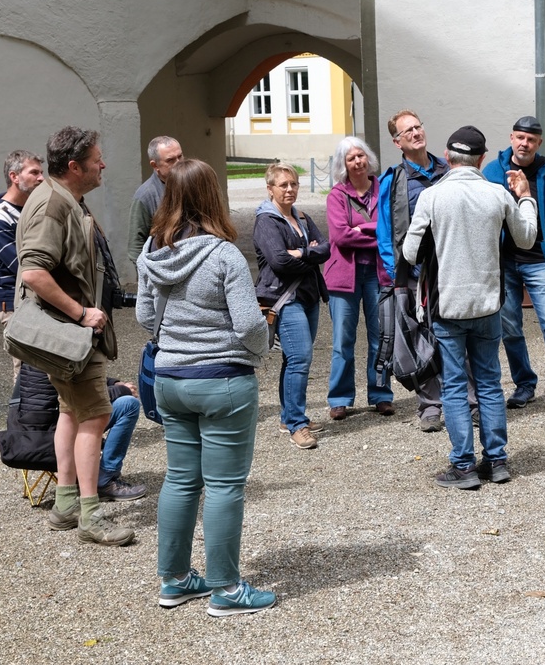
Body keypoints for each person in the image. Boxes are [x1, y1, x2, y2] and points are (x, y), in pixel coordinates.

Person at [137, 158, 275, 617]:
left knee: (180, 479)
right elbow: (249, 325)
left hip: (170, 380)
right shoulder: (223, 254)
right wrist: (264, 346)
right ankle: (227, 589)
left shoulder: (153, 254)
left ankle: (175, 580)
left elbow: (145, 317)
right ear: (213, 197)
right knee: (223, 486)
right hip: (222, 382)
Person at [16, 126, 134, 546]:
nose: (103, 165)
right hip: (71, 336)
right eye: (96, 160)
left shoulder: (63, 198)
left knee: (70, 412)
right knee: (95, 416)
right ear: (74, 166)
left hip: (71, 337)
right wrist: (81, 313)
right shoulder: (52, 204)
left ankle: (65, 505)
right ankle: (90, 515)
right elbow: (33, 272)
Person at [402, 126, 537, 489]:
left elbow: (410, 252)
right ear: (481, 159)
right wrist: (525, 197)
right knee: (490, 383)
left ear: (448, 157)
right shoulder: (497, 193)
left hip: (449, 305)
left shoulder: (432, 196)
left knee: (455, 387)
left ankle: (463, 466)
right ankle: (496, 461)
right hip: (487, 303)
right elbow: (526, 238)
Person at [483, 116, 545, 417]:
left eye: (531, 140)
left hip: (540, 261)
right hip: (504, 263)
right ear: (511, 138)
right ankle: (524, 383)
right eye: (520, 138)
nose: (524, 144)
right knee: (510, 328)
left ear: (539, 143)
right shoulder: (493, 172)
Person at [378, 109, 450, 432]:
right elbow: (384, 231)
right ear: (397, 142)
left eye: (418, 127)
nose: (416, 133)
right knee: (418, 339)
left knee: (457, 337)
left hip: (450, 270)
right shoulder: (393, 180)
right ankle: (430, 405)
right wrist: (396, 275)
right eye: (407, 131)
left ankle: (468, 402)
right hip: (414, 274)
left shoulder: (448, 170)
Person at [254, 163, 331, 450]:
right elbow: (279, 262)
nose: (289, 189)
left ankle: (289, 417)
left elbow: (326, 249)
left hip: (309, 296)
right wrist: (310, 255)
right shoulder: (266, 221)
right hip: (285, 299)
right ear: (270, 189)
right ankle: (298, 425)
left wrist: (301, 252)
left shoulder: (303, 217)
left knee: (294, 359)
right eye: (283, 184)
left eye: (293, 184)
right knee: (300, 358)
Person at [323, 137, 394, 421]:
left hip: (378, 273)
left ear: (369, 158)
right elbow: (341, 236)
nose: (357, 162)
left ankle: (381, 394)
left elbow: (392, 227)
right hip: (344, 276)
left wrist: (361, 229)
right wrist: (377, 234)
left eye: (361, 156)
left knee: (381, 338)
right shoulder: (336, 195)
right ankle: (339, 398)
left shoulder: (383, 189)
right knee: (343, 340)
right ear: (343, 164)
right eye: (351, 158)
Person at [4, 362, 147, 501]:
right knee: (129, 405)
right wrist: (123, 390)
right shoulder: (61, 354)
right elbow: (84, 396)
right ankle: (105, 479)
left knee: (119, 403)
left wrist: (114, 383)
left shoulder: (36, 353)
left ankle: (94, 477)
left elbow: (83, 379)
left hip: (23, 438)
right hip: (49, 441)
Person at [0, 150, 45, 380]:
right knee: (27, 374)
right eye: (34, 172)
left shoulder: (33, 207)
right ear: (14, 176)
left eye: (41, 172)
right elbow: (21, 266)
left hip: (40, 296)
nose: (41, 178)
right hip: (15, 302)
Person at [127, 136, 183, 264]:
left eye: (180, 156)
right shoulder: (145, 196)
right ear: (155, 165)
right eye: (170, 160)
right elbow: (135, 247)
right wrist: (148, 272)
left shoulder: (191, 183)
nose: (179, 163)